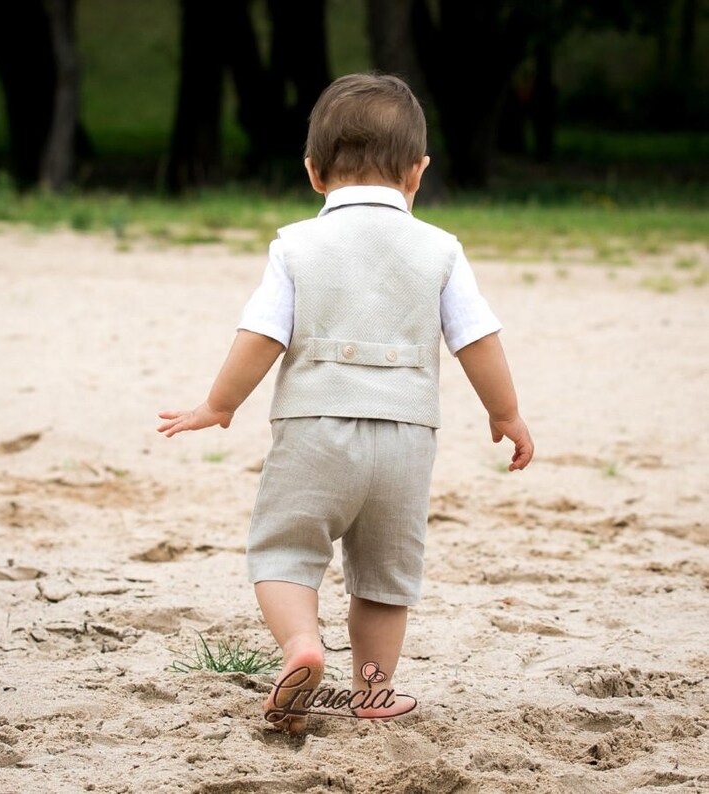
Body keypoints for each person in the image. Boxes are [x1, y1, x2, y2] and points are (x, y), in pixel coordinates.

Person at [157, 72, 533, 734]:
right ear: (417, 172)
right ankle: (373, 691)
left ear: (314, 173)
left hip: (313, 432)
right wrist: (505, 415)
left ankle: (301, 646)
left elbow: (262, 335)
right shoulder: (440, 250)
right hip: (406, 442)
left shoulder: (297, 245)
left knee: (284, 554)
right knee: (385, 578)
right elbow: (478, 339)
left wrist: (220, 404)